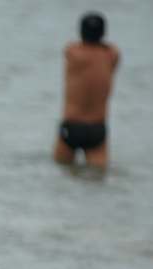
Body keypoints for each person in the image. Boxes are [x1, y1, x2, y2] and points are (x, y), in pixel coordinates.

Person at [53, 12, 120, 169]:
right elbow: (114, 50)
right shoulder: (111, 55)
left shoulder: (73, 53)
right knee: (97, 176)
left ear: (81, 32)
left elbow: (68, 48)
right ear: (103, 33)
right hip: (97, 129)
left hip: (72, 126)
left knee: (60, 171)